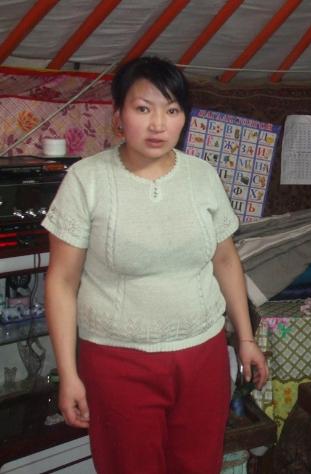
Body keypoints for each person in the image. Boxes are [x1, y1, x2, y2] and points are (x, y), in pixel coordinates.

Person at [43, 56, 268, 474]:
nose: (158, 124)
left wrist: (246, 338)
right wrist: (68, 372)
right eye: (143, 108)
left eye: (172, 110)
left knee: (199, 465)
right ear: (118, 116)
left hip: (202, 355)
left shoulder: (202, 176)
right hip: (117, 362)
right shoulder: (86, 181)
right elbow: (61, 281)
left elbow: (225, 259)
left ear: (184, 118)